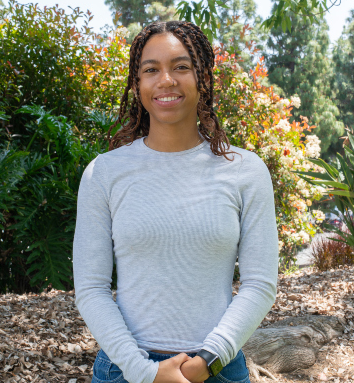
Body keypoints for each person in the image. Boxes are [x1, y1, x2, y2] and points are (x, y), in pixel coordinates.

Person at [73, 21, 279, 383]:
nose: (166, 80)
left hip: (217, 368)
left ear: (203, 79)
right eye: (151, 69)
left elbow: (260, 283)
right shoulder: (103, 173)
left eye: (181, 67)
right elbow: (90, 289)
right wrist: (145, 372)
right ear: (137, 85)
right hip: (125, 369)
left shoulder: (246, 172)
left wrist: (207, 361)